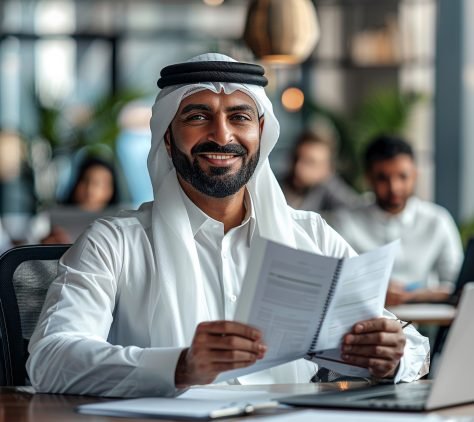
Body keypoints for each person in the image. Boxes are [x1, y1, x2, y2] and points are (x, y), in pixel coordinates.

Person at [27, 54, 429, 398]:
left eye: (239, 116)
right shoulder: (114, 243)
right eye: (198, 116)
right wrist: (180, 366)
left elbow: (410, 344)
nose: (222, 135)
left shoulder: (312, 235)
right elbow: (50, 358)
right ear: (168, 138)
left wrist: (391, 354)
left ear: (261, 134)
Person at [329, 135, 464, 306]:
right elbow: (333, 281)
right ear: (368, 178)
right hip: (361, 320)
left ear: (415, 175)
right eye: (383, 178)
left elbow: (457, 284)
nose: (394, 187)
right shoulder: (345, 222)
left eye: (402, 176)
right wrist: (371, 291)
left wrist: (413, 296)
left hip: (425, 320)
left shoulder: (437, 220)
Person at [282, 131, 360, 212]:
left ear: (327, 169)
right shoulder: (278, 184)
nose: (298, 167)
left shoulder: (332, 191)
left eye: (309, 162)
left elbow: (356, 209)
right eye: (296, 158)